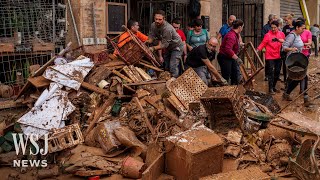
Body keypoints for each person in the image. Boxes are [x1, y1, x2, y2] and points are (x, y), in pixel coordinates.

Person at [282, 20, 313, 106]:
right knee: (299, 77)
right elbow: (284, 47)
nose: (303, 30)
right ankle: (304, 97)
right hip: (292, 61)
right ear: (297, 28)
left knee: (302, 77)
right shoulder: (291, 36)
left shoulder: (298, 35)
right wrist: (291, 49)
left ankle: (288, 94)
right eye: (302, 28)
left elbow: (298, 46)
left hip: (298, 59)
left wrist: (304, 47)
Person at [147, 10, 184, 78]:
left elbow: (164, 45)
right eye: (156, 19)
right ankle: (167, 81)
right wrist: (147, 42)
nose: (157, 21)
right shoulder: (153, 25)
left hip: (176, 46)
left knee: (173, 66)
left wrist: (153, 48)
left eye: (160, 19)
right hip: (169, 47)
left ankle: (174, 83)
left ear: (164, 19)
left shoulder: (167, 28)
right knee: (166, 66)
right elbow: (151, 36)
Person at [257, 21, 285, 95]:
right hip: (269, 56)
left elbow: (285, 43)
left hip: (278, 56)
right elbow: (263, 43)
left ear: (278, 27)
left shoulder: (281, 34)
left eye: (274, 27)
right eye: (272, 27)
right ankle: (270, 89)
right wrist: (258, 49)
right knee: (271, 72)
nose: (273, 29)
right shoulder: (267, 35)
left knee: (277, 72)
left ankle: (273, 86)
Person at [218, 19, 244, 85]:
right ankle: (224, 92)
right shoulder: (231, 35)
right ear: (240, 27)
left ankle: (233, 91)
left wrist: (240, 45)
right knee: (226, 76)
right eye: (242, 27)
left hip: (230, 57)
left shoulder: (235, 34)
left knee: (235, 75)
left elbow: (234, 44)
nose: (242, 28)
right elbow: (228, 49)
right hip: (224, 57)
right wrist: (237, 58)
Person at [262, 14, 277, 81]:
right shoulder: (265, 27)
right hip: (268, 47)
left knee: (275, 63)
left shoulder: (276, 27)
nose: (276, 20)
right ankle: (267, 75)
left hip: (275, 48)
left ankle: (274, 75)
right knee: (268, 62)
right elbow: (263, 37)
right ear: (271, 19)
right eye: (275, 18)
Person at [282, 13, 295, 83]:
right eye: (285, 21)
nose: (286, 22)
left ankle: (292, 78)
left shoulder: (295, 27)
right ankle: (285, 79)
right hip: (286, 49)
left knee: (292, 64)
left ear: (290, 19)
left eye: (287, 20)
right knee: (285, 64)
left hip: (293, 49)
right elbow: (283, 37)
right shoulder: (285, 28)